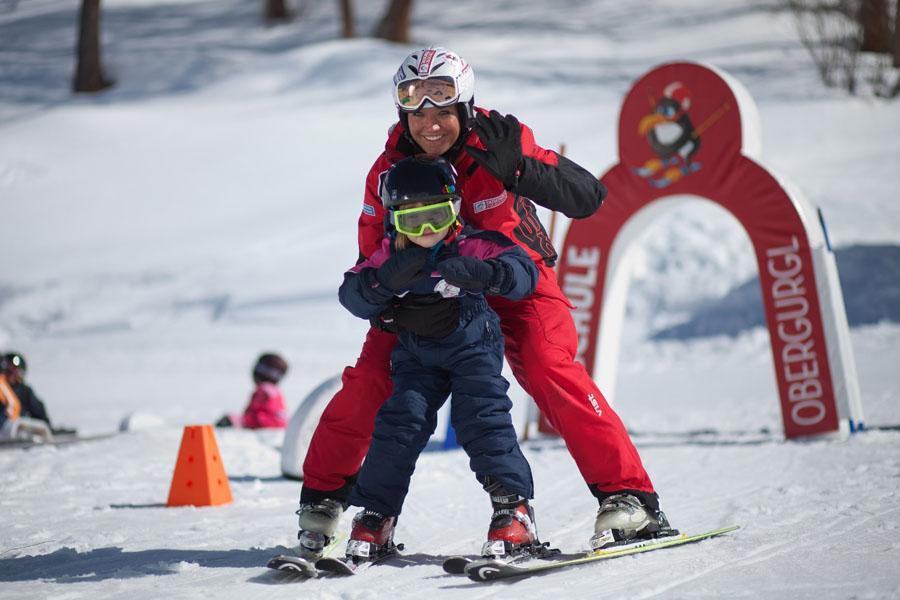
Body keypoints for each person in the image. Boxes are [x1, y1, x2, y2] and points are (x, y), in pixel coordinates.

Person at [297, 46, 671, 558]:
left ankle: (630, 498)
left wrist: (521, 171)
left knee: (547, 365)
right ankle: (322, 502)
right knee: (372, 382)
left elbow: (588, 198)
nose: (430, 124)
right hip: (425, 287)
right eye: (416, 110)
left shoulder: (499, 139)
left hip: (514, 277)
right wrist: (388, 298)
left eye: (443, 108)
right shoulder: (389, 169)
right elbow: (372, 247)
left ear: (465, 105)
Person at [334, 155, 541, 561]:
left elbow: (524, 271)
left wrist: (489, 274)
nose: (427, 231)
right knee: (399, 424)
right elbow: (352, 294)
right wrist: (382, 281)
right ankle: (377, 514)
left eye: (437, 217)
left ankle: (513, 510)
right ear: (395, 220)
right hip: (416, 355)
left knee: (480, 418)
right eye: (414, 222)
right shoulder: (388, 255)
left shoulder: (472, 244)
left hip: (473, 346)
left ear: (455, 210)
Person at [216, 353, 290, 429]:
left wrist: (238, 421)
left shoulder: (264, 391)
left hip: (265, 425)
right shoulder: (274, 391)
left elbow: (256, 416)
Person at [1, 354, 52, 442]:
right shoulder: (2, 387)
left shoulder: (24, 390)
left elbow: (38, 410)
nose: (11, 375)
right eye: (8, 371)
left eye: (14, 371)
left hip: (16, 425)